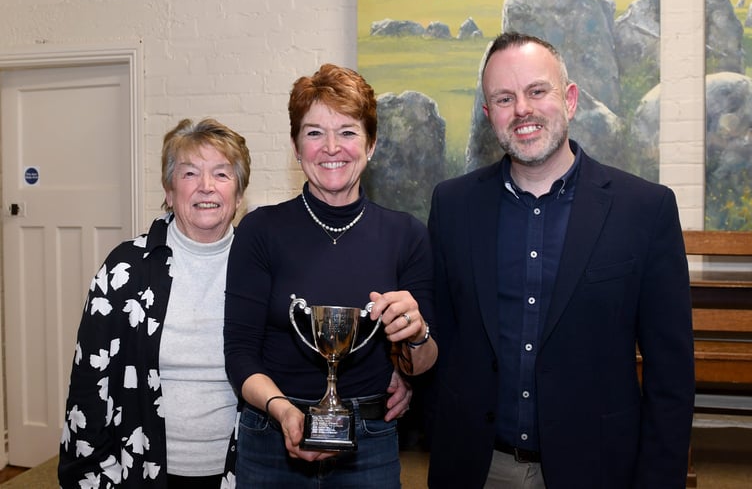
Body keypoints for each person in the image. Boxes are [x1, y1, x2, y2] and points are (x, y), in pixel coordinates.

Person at [426, 32, 695, 489]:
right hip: (479, 467)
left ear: (569, 100)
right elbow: (442, 341)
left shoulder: (644, 210)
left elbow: (671, 373)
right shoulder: (452, 206)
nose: (522, 110)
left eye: (536, 91)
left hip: (599, 467)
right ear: (490, 116)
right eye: (504, 98)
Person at [224, 63, 438, 488]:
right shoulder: (259, 231)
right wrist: (285, 411)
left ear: (371, 144)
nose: (331, 147)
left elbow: (423, 364)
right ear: (296, 145)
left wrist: (415, 333)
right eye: (315, 132)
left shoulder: (406, 235)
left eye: (348, 131)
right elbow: (240, 353)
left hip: (371, 442)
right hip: (271, 436)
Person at [58, 118, 252, 488]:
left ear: (239, 194)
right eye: (190, 173)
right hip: (141, 470)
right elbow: (89, 382)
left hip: (242, 468)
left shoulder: (260, 268)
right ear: (168, 189)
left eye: (222, 174)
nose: (206, 186)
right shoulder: (125, 269)